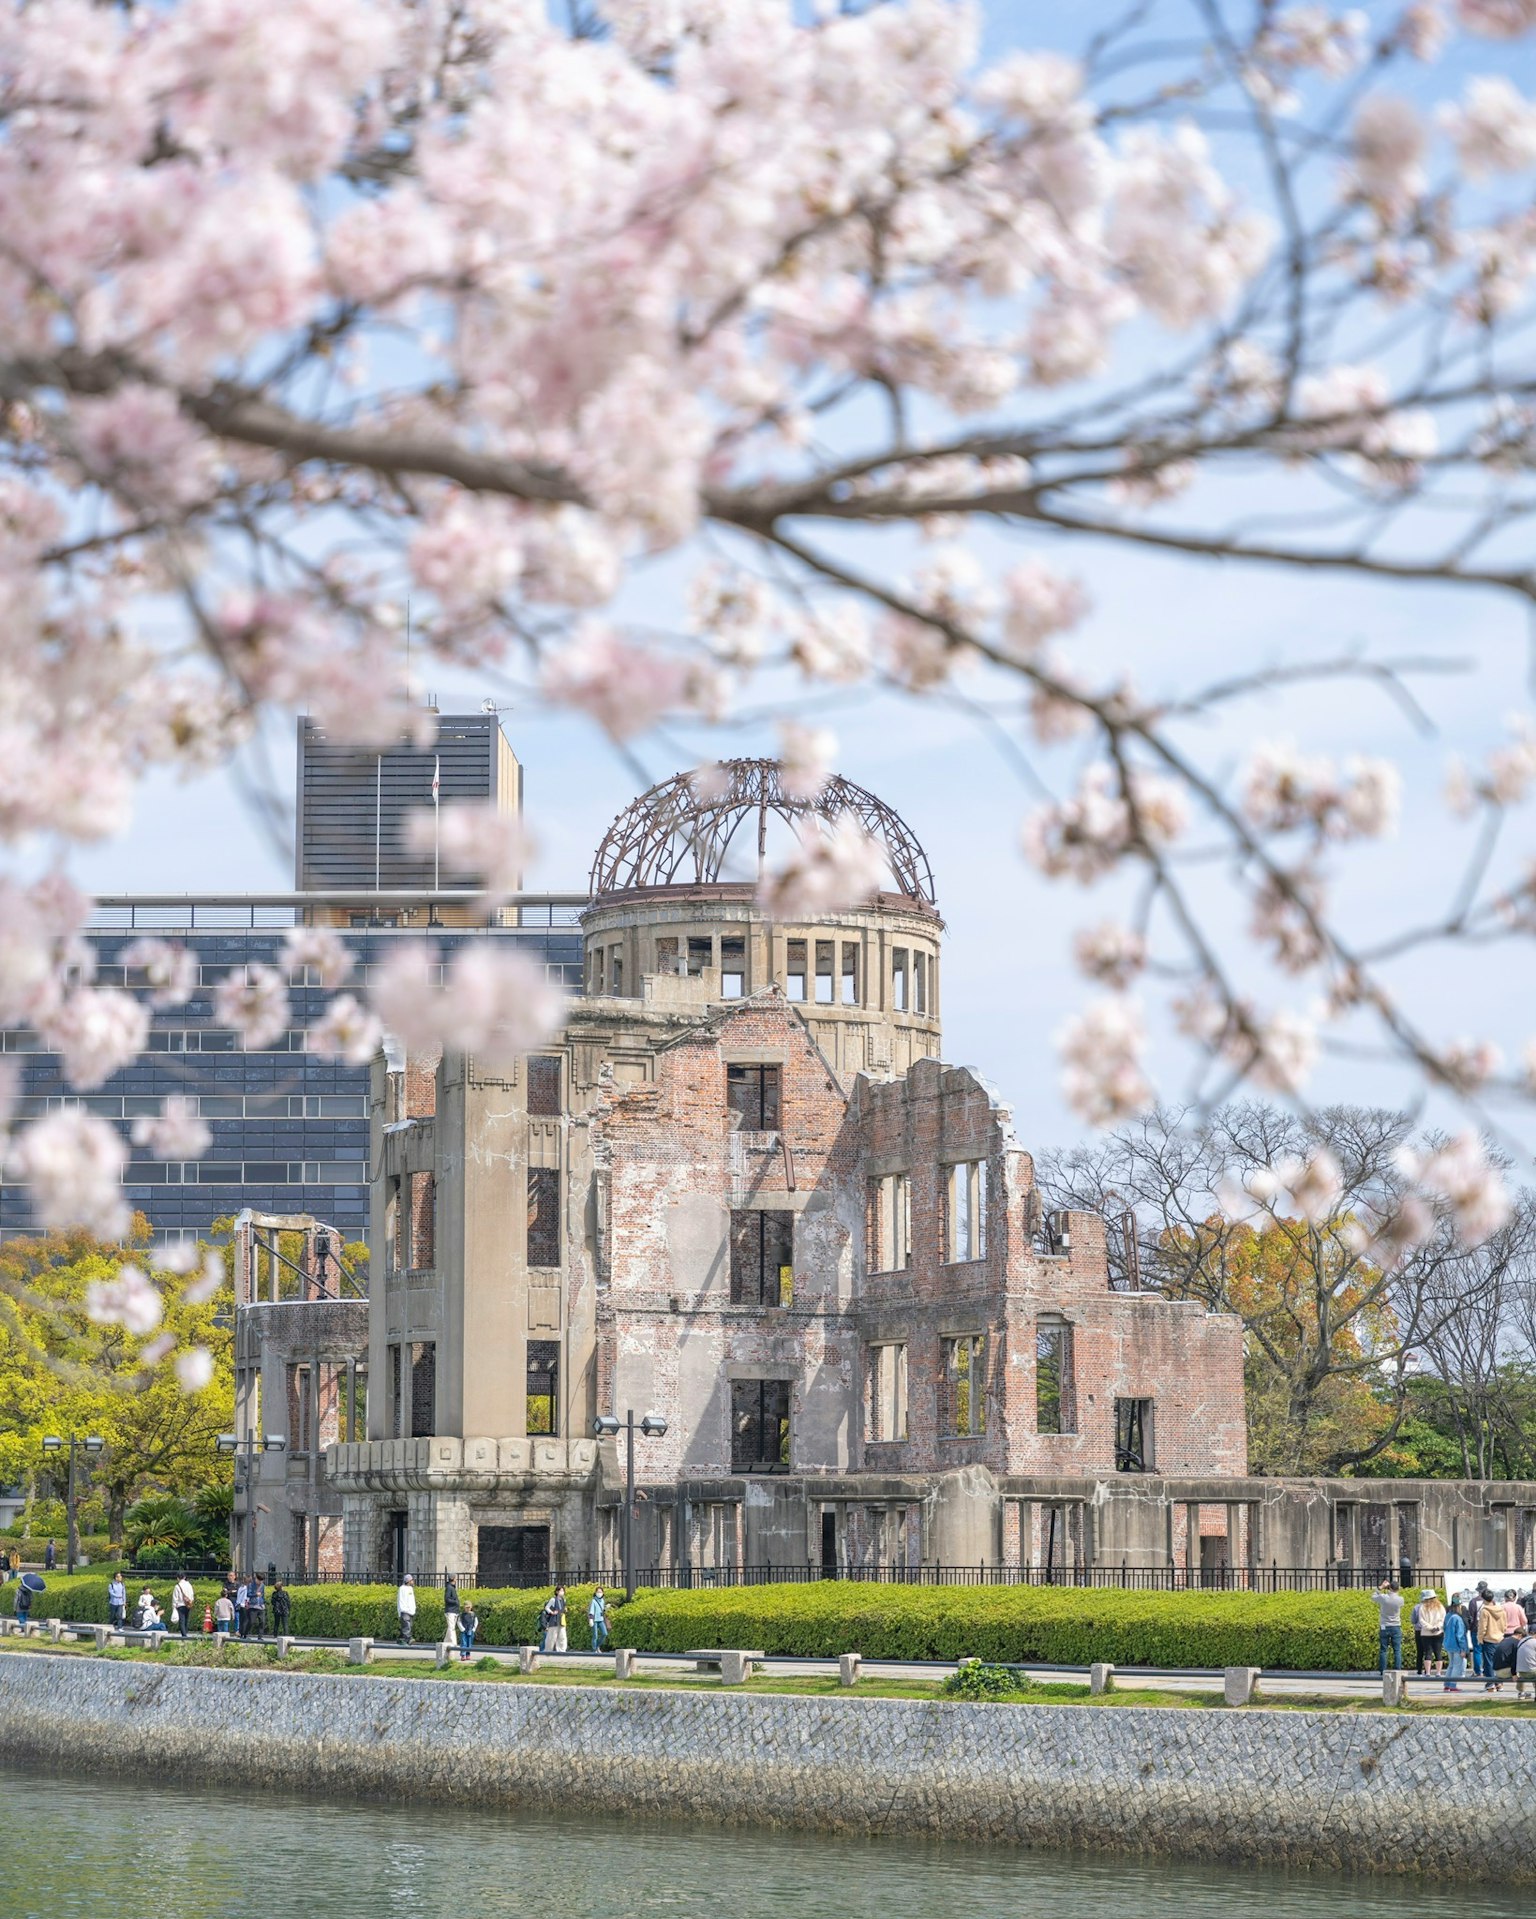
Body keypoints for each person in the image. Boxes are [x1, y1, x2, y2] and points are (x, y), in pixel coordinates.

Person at [1478, 1589, 1509, 1690]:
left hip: (1489, 1640)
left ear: (1483, 1598)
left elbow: (1483, 1627)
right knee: (1498, 1663)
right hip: (1500, 1639)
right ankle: (1499, 1684)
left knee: (1488, 1663)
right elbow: (1505, 1626)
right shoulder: (1502, 1610)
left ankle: (1490, 1684)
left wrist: (1480, 1638)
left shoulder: (1485, 1611)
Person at [1371, 1579, 1403, 1674]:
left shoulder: (1384, 1597)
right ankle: (1397, 1670)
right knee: (1397, 1649)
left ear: (1389, 1588)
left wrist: (1381, 1587)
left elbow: (1373, 1596)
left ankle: (1383, 1670)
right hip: (1396, 1625)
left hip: (1384, 1625)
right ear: (1398, 1589)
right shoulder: (1400, 1599)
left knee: (1383, 1649)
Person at [1412, 1587, 1445, 1676]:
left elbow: (1421, 1620)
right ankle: (1438, 1672)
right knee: (1438, 1652)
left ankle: (1428, 1672)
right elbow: (1442, 1619)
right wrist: (1437, 1627)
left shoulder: (1422, 1607)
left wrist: (1430, 1627)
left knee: (1428, 1652)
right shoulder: (1440, 1606)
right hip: (1438, 1632)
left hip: (1426, 1633)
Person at [1443, 1601, 1470, 1692]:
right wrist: (1463, 1649)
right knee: (1457, 1666)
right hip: (1457, 1646)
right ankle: (1453, 1685)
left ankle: (1446, 1685)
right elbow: (1460, 1635)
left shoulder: (1448, 1616)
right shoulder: (1458, 1618)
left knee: (1451, 1665)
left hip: (1448, 1644)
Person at [542, 1585, 568, 1654]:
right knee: (551, 1636)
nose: (562, 1592)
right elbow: (547, 1607)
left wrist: (565, 1610)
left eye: (563, 1591)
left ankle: (561, 1650)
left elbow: (563, 1608)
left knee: (562, 1636)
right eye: (560, 1591)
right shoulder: (553, 1600)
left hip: (561, 1620)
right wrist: (552, 1612)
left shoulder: (563, 1600)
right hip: (554, 1620)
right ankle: (548, 1650)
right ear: (557, 1592)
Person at [172, 1572, 195, 1642]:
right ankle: (185, 1633)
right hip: (188, 1604)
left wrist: (174, 1606)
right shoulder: (189, 1585)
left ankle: (184, 1636)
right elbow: (192, 1595)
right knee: (186, 1620)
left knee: (182, 1621)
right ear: (184, 1577)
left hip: (180, 1605)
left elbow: (175, 1597)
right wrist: (190, 1601)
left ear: (177, 1578)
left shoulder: (177, 1586)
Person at [588, 1587, 610, 1653]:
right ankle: (594, 1649)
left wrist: (606, 1607)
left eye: (600, 1592)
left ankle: (597, 1646)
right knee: (595, 1635)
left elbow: (602, 1610)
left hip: (601, 1619)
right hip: (594, 1620)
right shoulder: (593, 1601)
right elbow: (591, 1610)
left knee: (604, 1633)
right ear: (595, 1593)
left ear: (603, 1593)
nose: (599, 1593)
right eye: (598, 1592)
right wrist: (591, 1619)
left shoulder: (602, 1600)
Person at [397, 1573, 417, 1644]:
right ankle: (409, 1639)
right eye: (412, 1580)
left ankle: (401, 1639)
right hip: (405, 1610)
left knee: (408, 1626)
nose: (413, 1581)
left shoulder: (411, 1588)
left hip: (411, 1611)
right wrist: (403, 1609)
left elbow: (412, 1600)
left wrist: (413, 1609)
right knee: (406, 1626)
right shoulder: (402, 1589)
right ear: (408, 1581)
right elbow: (401, 1600)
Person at [247, 1575, 266, 1640]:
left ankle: (260, 1637)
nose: (260, 1582)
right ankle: (246, 1634)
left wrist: (263, 1602)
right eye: (259, 1580)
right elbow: (248, 1594)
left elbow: (263, 1594)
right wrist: (255, 1594)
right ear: (256, 1579)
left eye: (261, 1581)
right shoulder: (250, 1585)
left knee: (262, 1622)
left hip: (261, 1606)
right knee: (251, 1622)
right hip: (253, 1606)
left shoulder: (262, 1585)